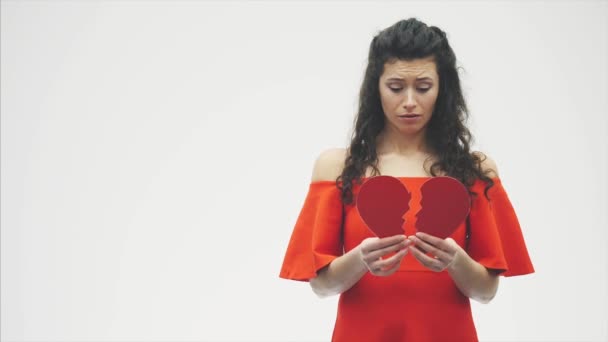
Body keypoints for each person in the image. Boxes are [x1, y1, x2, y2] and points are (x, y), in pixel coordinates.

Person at [278, 17, 534, 342]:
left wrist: (456, 261)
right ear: (376, 88)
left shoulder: (474, 171)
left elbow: (485, 291)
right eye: (396, 88)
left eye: (424, 87)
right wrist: (359, 260)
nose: (410, 102)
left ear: (443, 89)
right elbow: (321, 285)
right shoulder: (336, 167)